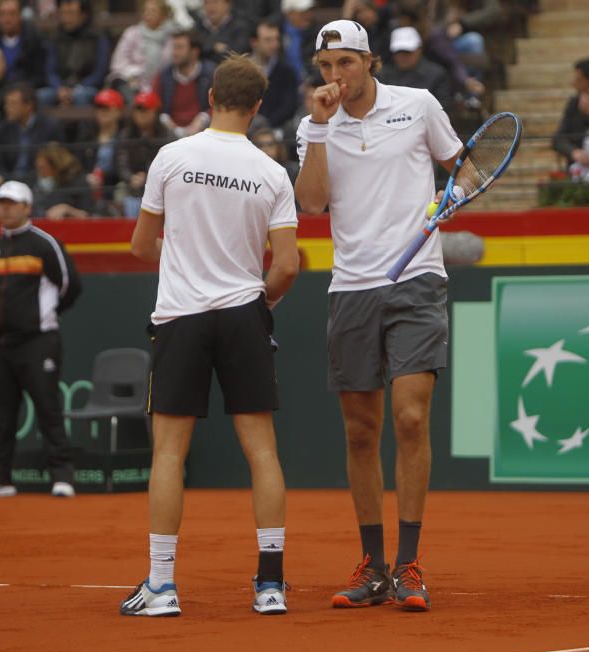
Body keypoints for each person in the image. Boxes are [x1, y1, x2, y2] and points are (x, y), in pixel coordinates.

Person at [120, 54, 299, 617]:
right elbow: (288, 265)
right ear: (257, 106)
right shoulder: (271, 173)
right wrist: (256, 300)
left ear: (210, 95)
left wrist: (181, 261)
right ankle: (270, 586)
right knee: (262, 451)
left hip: (181, 316)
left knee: (169, 454)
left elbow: (141, 246)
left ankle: (162, 586)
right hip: (244, 314)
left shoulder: (172, 157)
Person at [293, 19, 463, 612]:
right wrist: (318, 126)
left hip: (418, 281)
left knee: (410, 418)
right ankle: (374, 567)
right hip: (353, 289)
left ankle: (411, 564)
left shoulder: (418, 105)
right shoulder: (313, 125)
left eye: (344, 64)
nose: (335, 76)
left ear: (370, 63)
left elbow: (461, 166)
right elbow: (311, 203)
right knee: (361, 432)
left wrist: (453, 196)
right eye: (325, 67)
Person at [0, 179, 82, 499]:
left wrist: (44, 316)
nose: (5, 208)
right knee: (1, 413)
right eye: (1, 203)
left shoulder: (44, 244)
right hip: (0, 344)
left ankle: (62, 476)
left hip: (38, 341)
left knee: (47, 407)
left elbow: (70, 285)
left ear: (28, 207)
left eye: (12, 203)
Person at [0, 82, 65, 194]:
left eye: (13, 103)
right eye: (6, 103)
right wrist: (2, 178)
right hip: (9, 184)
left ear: (28, 106)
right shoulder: (2, 130)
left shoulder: (49, 127)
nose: (7, 108)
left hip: (38, 184)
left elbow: (54, 162)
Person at [39, 0, 111, 107]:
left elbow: (100, 72)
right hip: (61, 87)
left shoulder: (97, 38)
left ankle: (86, 124)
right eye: (63, 13)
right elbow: (50, 71)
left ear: (83, 15)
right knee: (40, 96)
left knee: (80, 96)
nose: (66, 18)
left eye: (71, 13)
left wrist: (78, 88)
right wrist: (60, 88)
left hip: (88, 87)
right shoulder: (55, 39)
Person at [115, 90, 173, 218]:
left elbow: (171, 164)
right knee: (120, 190)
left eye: (145, 110)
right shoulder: (126, 134)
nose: (140, 114)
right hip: (132, 183)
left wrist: (148, 177)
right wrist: (130, 177)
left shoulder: (167, 135)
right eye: (138, 110)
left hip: (160, 183)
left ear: (156, 112)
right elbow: (121, 162)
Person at [107, 0, 177, 100]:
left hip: (162, 83)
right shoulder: (132, 32)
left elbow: (172, 64)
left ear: (163, 16)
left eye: (153, 11)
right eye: (145, 11)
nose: (148, 15)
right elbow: (118, 63)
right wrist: (134, 74)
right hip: (133, 82)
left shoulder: (172, 36)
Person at [153, 30, 216, 138]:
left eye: (180, 48)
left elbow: (220, 104)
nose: (174, 53)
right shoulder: (164, 75)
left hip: (204, 132)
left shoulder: (211, 73)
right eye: (174, 47)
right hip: (168, 134)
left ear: (194, 52)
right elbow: (154, 104)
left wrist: (202, 118)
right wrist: (165, 119)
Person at [379, 26, 452, 110]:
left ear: (419, 49)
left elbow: (442, 109)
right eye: (398, 52)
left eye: (407, 52)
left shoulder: (437, 75)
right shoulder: (383, 76)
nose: (402, 56)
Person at [0, 0, 46, 87]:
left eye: (12, 13)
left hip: (25, 89)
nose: (7, 19)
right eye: (2, 14)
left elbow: (39, 75)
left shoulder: (33, 38)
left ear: (20, 15)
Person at [249, 19, 300, 128]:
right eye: (268, 40)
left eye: (276, 39)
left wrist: (266, 126)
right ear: (254, 42)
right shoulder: (240, 71)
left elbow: (289, 106)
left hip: (276, 129)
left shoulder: (287, 72)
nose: (274, 44)